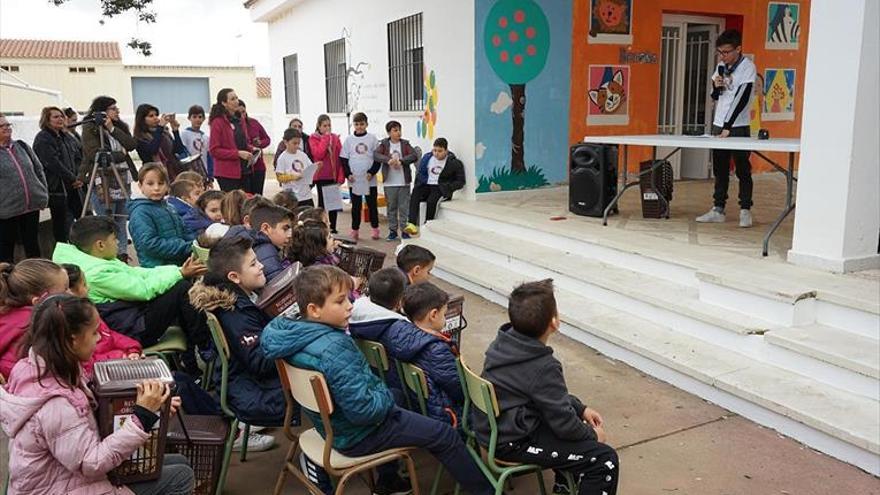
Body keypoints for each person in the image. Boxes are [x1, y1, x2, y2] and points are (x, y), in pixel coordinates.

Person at [261, 265, 495, 495]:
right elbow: (364, 411)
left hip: (331, 425)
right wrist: (381, 391)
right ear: (314, 310)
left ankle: (389, 479)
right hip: (357, 435)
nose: (350, 306)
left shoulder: (294, 336)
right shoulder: (334, 348)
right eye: (340, 301)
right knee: (445, 435)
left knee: (398, 395)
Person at [0, 294, 195, 495]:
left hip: (63, 478)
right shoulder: (55, 403)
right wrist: (143, 417)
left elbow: (81, 430)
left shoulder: (35, 367)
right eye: (94, 332)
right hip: (65, 486)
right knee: (181, 476)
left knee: (177, 461)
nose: (99, 338)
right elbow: (91, 463)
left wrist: (150, 409)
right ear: (72, 339)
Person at [475, 279, 618, 495]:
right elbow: (565, 424)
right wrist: (593, 435)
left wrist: (580, 408)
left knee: (568, 419)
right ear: (554, 322)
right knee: (604, 459)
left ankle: (564, 486)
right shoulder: (542, 366)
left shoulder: (504, 343)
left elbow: (548, 397)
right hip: (513, 442)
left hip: (497, 428)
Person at [51, 215, 210, 375]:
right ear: (100, 245)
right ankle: (206, 348)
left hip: (133, 316)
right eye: (114, 239)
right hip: (132, 329)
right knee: (181, 289)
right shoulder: (97, 274)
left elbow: (135, 273)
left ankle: (193, 361)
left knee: (179, 289)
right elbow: (143, 290)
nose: (118, 243)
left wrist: (177, 271)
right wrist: (180, 273)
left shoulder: (92, 259)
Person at [188, 235, 287, 451]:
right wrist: (293, 333)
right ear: (234, 277)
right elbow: (260, 362)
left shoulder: (235, 298)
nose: (261, 266)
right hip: (254, 393)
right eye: (253, 264)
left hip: (243, 383)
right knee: (326, 381)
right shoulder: (236, 313)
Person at [349, 270, 463, 425]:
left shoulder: (361, 322)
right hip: (437, 414)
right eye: (444, 313)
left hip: (397, 395)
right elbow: (461, 389)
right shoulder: (431, 347)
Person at [696, 29, 757, 228]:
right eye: (720, 52)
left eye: (726, 52)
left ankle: (745, 209)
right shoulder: (721, 66)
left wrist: (728, 127)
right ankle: (718, 208)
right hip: (719, 123)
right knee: (720, 168)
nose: (723, 56)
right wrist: (716, 86)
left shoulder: (747, 67)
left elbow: (742, 97)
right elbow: (716, 96)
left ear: (738, 49)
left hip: (737, 126)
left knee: (742, 169)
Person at [80, 96, 138, 263]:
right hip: (102, 176)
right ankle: (106, 255)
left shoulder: (118, 126)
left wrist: (112, 128)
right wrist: (121, 155)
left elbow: (131, 144)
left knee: (121, 216)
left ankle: (122, 253)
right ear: (102, 111)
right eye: (113, 108)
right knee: (106, 218)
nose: (117, 111)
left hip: (123, 176)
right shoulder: (90, 127)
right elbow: (95, 153)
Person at [62, 263, 142, 379]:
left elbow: (109, 334)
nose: (88, 288)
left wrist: (131, 348)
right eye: (84, 284)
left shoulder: (87, 312)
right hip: (107, 374)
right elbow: (89, 364)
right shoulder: (75, 324)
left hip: (117, 364)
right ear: (70, 292)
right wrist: (120, 356)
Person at [0, 259, 69, 378]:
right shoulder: (36, 327)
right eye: (65, 290)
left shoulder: (7, 315)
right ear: (38, 301)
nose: (71, 294)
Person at [0, 114, 49, 263]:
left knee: (32, 246)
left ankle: (36, 278)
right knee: (6, 249)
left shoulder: (21, 146)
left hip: (31, 207)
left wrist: (42, 193)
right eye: (2, 126)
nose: (7, 128)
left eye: (8, 125)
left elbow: (38, 170)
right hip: (7, 211)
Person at [127, 163, 196, 268]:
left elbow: (185, 231)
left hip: (178, 264)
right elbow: (150, 245)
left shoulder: (169, 207)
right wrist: (185, 247)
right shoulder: (140, 212)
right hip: (158, 270)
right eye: (150, 184)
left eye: (161, 183)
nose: (156, 188)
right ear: (141, 186)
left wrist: (196, 243)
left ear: (167, 185)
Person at [34, 106, 84, 243]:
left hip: (72, 186)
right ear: (47, 120)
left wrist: (78, 176)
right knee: (61, 226)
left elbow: (76, 156)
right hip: (57, 188)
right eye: (55, 117)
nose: (60, 119)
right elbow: (52, 163)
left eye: (61, 116)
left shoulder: (64, 136)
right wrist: (72, 178)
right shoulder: (43, 138)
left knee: (83, 219)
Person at [404, 137, 466, 236]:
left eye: (440, 151)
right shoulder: (427, 158)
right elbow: (420, 173)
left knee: (432, 201)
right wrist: (422, 182)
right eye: (434, 150)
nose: (436, 153)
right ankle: (412, 223)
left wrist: (448, 187)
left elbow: (460, 181)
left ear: (446, 150)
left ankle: (428, 224)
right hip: (427, 185)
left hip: (441, 187)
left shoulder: (454, 163)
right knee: (415, 192)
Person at [374, 120, 420, 241]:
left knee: (404, 207)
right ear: (389, 132)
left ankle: (405, 231)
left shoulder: (405, 144)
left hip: (403, 181)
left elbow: (414, 155)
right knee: (391, 207)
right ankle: (393, 231)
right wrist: (388, 160)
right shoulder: (384, 144)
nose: (398, 132)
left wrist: (402, 161)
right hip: (390, 182)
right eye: (395, 130)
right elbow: (376, 155)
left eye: (399, 130)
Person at [209, 88, 260, 193]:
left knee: (247, 202)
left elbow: (243, 143)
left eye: (236, 98)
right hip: (227, 173)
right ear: (224, 103)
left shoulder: (240, 119)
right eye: (232, 99)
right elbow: (214, 150)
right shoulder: (217, 122)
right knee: (233, 205)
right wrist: (237, 154)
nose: (236, 101)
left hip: (245, 170)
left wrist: (252, 149)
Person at [340, 112, 381, 240]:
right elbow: (344, 159)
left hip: (369, 179)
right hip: (355, 180)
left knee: (372, 205)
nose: (359, 127)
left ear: (366, 124)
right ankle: (355, 229)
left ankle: (375, 229)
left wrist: (372, 172)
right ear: (353, 125)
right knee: (356, 206)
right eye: (356, 124)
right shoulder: (349, 140)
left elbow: (378, 158)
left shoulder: (372, 139)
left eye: (362, 124)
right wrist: (348, 174)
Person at [133, 104, 187, 183]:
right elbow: (153, 149)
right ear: (142, 119)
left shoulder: (164, 133)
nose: (155, 118)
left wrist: (175, 131)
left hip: (173, 172)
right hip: (155, 175)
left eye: (156, 115)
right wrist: (160, 127)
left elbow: (179, 150)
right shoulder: (140, 137)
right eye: (151, 116)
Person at [309, 114, 344, 233]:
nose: (327, 128)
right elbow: (318, 154)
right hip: (321, 176)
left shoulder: (335, 138)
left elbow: (340, 157)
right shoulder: (313, 138)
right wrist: (325, 138)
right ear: (318, 126)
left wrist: (340, 175)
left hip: (333, 176)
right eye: (324, 126)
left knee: (333, 204)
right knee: (322, 204)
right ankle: (321, 227)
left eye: (329, 125)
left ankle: (333, 227)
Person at [246, 203, 294, 282]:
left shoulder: (260, 247)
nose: (289, 235)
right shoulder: (267, 253)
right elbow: (279, 287)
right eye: (285, 229)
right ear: (266, 228)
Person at [276, 128, 318, 207]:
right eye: (294, 143)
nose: (297, 146)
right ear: (285, 142)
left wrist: (316, 168)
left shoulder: (303, 155)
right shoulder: (282, 157)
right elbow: (279, 177)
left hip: (306, 195)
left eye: (298, 143)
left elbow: (310, 168)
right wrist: (293, 177)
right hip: (291, 197)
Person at [237, 99, 270, 195]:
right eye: (239, 113)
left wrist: (260, 143)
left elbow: (267, 139)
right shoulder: (234, 126)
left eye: (243, 112)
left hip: (258, 166)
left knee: (258, 195)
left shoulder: (254, 123)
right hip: (243, 168)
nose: (242, 115)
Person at [180, 104, 213, 186]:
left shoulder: (206, 137)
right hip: (190, 172)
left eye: (200, 117)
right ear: (189, 118)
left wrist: (210, 175)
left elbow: (209, 157)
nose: (197, 119)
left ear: (204, 119)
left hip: (204, 173)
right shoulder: (185, 134)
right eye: (194, 117)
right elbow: (182, 153)